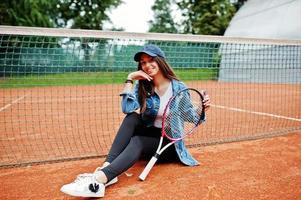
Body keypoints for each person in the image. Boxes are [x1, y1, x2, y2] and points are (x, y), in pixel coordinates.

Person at [60, 44, 210, 198]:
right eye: (143, 63)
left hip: (169, 144)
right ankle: (107, 168)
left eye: (151, 60)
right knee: (132, 118)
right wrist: (130, 78)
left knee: (138, 141)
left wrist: (202, 109)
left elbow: (191, 117)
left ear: (161, 61)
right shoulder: (143, 86)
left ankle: (98, 180)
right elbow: (127, 108)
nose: (147, 65)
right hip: (151, 135)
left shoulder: (179, 88)